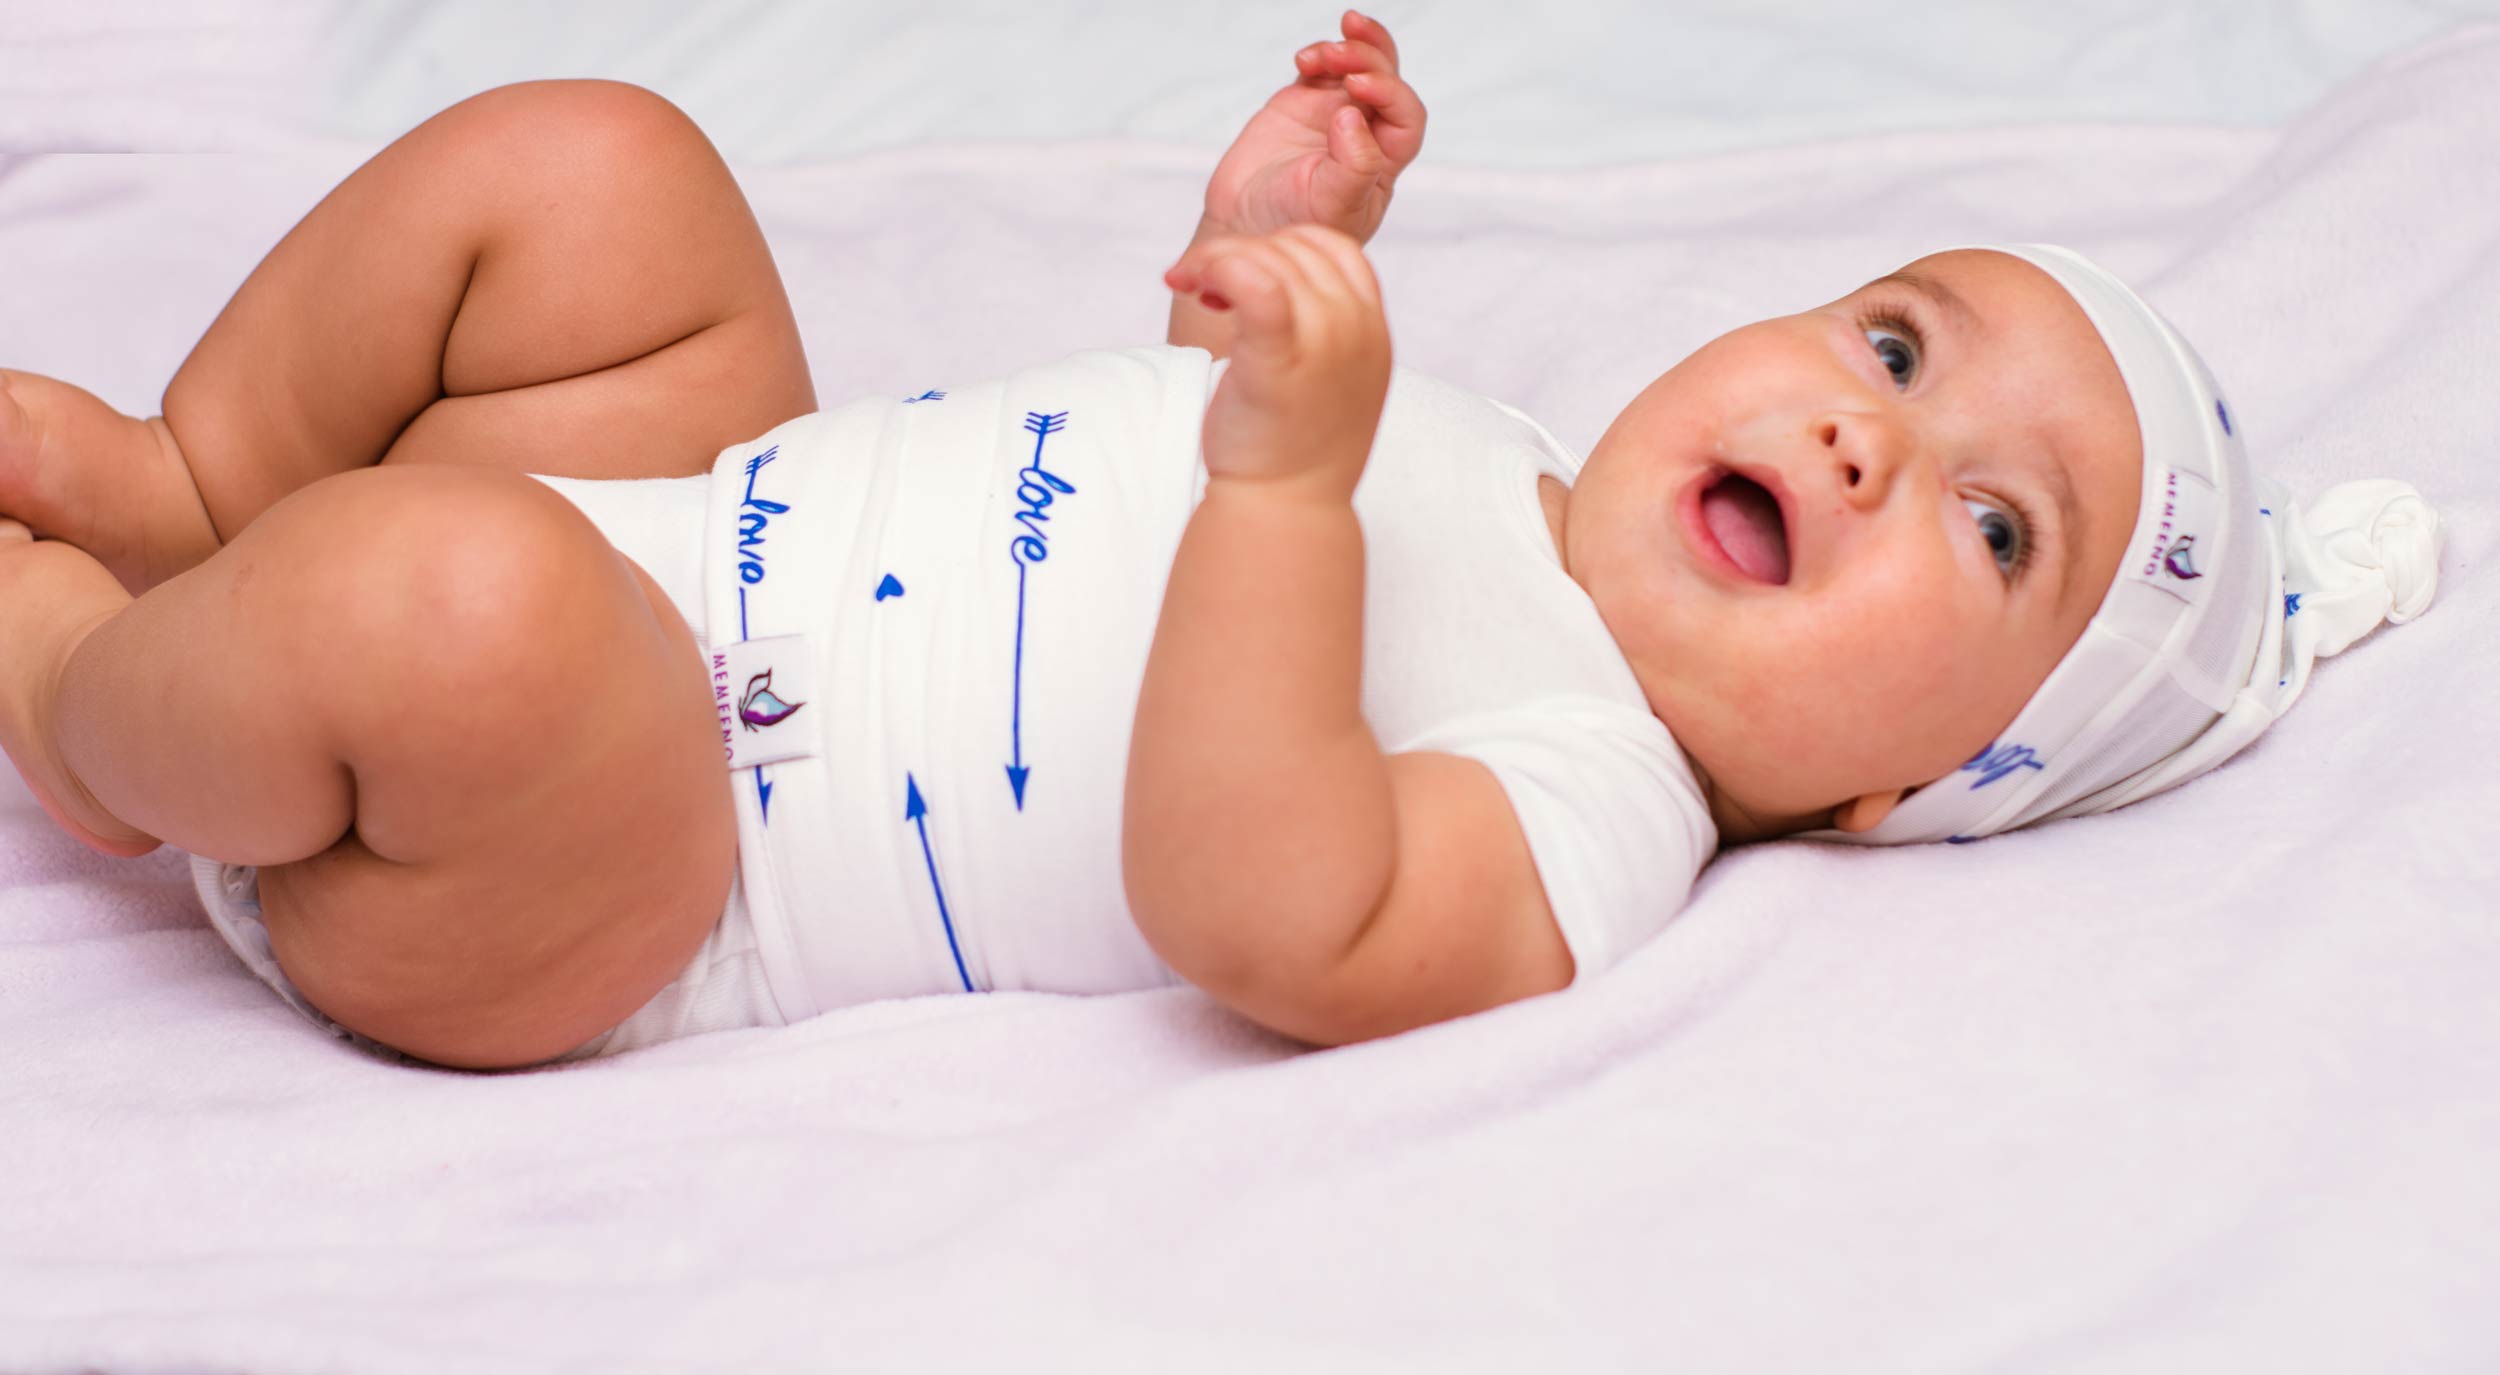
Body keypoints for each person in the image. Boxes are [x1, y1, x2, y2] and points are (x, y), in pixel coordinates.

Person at [0, 12, 2440, 1070]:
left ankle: (101, 718)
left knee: (456, 609)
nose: (1871, 438)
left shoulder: (1589, 822)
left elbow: (1252, 899)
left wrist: (1279, 477)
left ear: (1908, 791)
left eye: (1994, 526)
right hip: (684, 512)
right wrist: (1241, 271)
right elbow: (1105, 492)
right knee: (595, 165)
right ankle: (219, 475)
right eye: (1894, 348)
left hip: (609, 853)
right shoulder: (1468, 440)